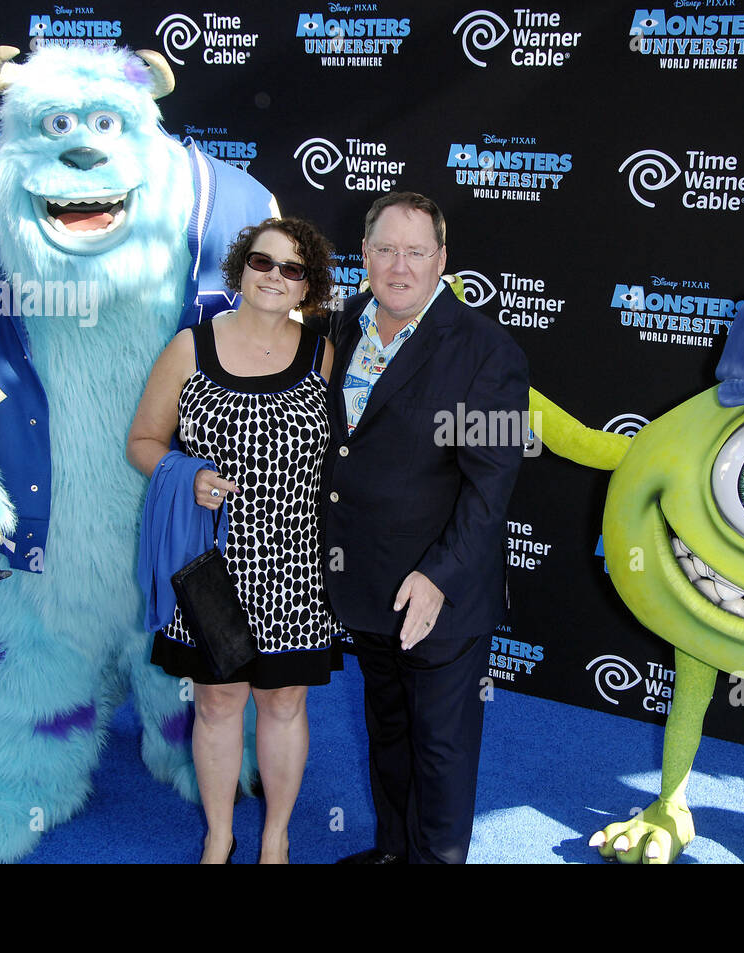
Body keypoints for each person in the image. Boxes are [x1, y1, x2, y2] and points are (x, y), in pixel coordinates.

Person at [317, 192, 529, 864]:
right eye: (384, 249)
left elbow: (490, 488)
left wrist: (437, 576)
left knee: (440, 743)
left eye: (415, 252)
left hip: (441, 590)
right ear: (365, 255)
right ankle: (393, 849)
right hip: (364, 581)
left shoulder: (487, 351)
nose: (398, 266)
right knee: (388, 725)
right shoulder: (343, 322)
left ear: (441, 259)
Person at [127, 217, 340, 864]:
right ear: (240, 268)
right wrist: (185, 476)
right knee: (218, 703)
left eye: (292, 268)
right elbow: (142, 442)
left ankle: (275, 837)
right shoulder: (190, 348)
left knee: (284, 702)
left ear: (310, 285)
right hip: (213, 564)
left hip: (298, 568)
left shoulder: (321, 354)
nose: (275, 276)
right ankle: (219, 836)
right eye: (262, 261)